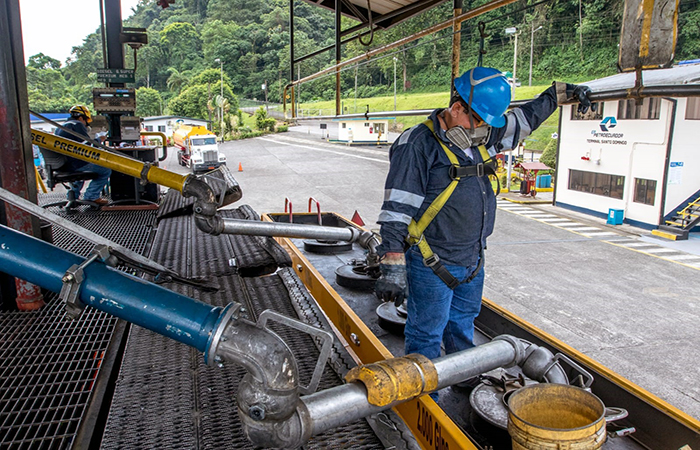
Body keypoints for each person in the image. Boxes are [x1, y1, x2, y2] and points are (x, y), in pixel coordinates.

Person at [374, 67, 594, 395]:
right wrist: (392, 263)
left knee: (462, 325)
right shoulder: (418, 144)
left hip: (472, 259)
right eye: (480, 122)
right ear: (458, 108)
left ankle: (464, 381)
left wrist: (558, 94)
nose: (485, 132)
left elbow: (524, 119)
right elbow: (397, 208)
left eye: (489, 124)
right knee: (426, 335)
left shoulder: (483, 135)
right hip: (432, 261)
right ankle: (426, 403)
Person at [42, 105, 111, 205]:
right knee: (105, 169)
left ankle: (73, 197)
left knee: (80, 171)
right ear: (81, 117)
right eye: (86, 120)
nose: (86, 124)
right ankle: (91, 196)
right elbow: (87, 147)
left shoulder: (60, 128)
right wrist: (99, 140)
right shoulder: (77, 125)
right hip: (73, 164)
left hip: (60, 165)